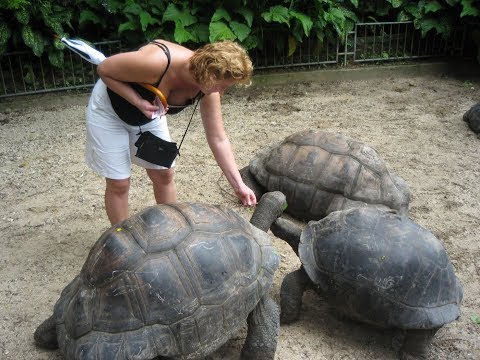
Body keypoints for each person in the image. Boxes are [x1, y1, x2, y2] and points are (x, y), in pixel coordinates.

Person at [85, 39, 257, 225]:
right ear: (209, 73)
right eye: (223, 86)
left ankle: (170, 228)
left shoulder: (208, 90)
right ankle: (121, 239)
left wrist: (238, 185)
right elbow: (104, 69)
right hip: (110, 110)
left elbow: (218, 138)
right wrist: (137, 101)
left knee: (164, 173)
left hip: (149, 113)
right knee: (119, 183)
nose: (222, 92)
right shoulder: (157, 62)